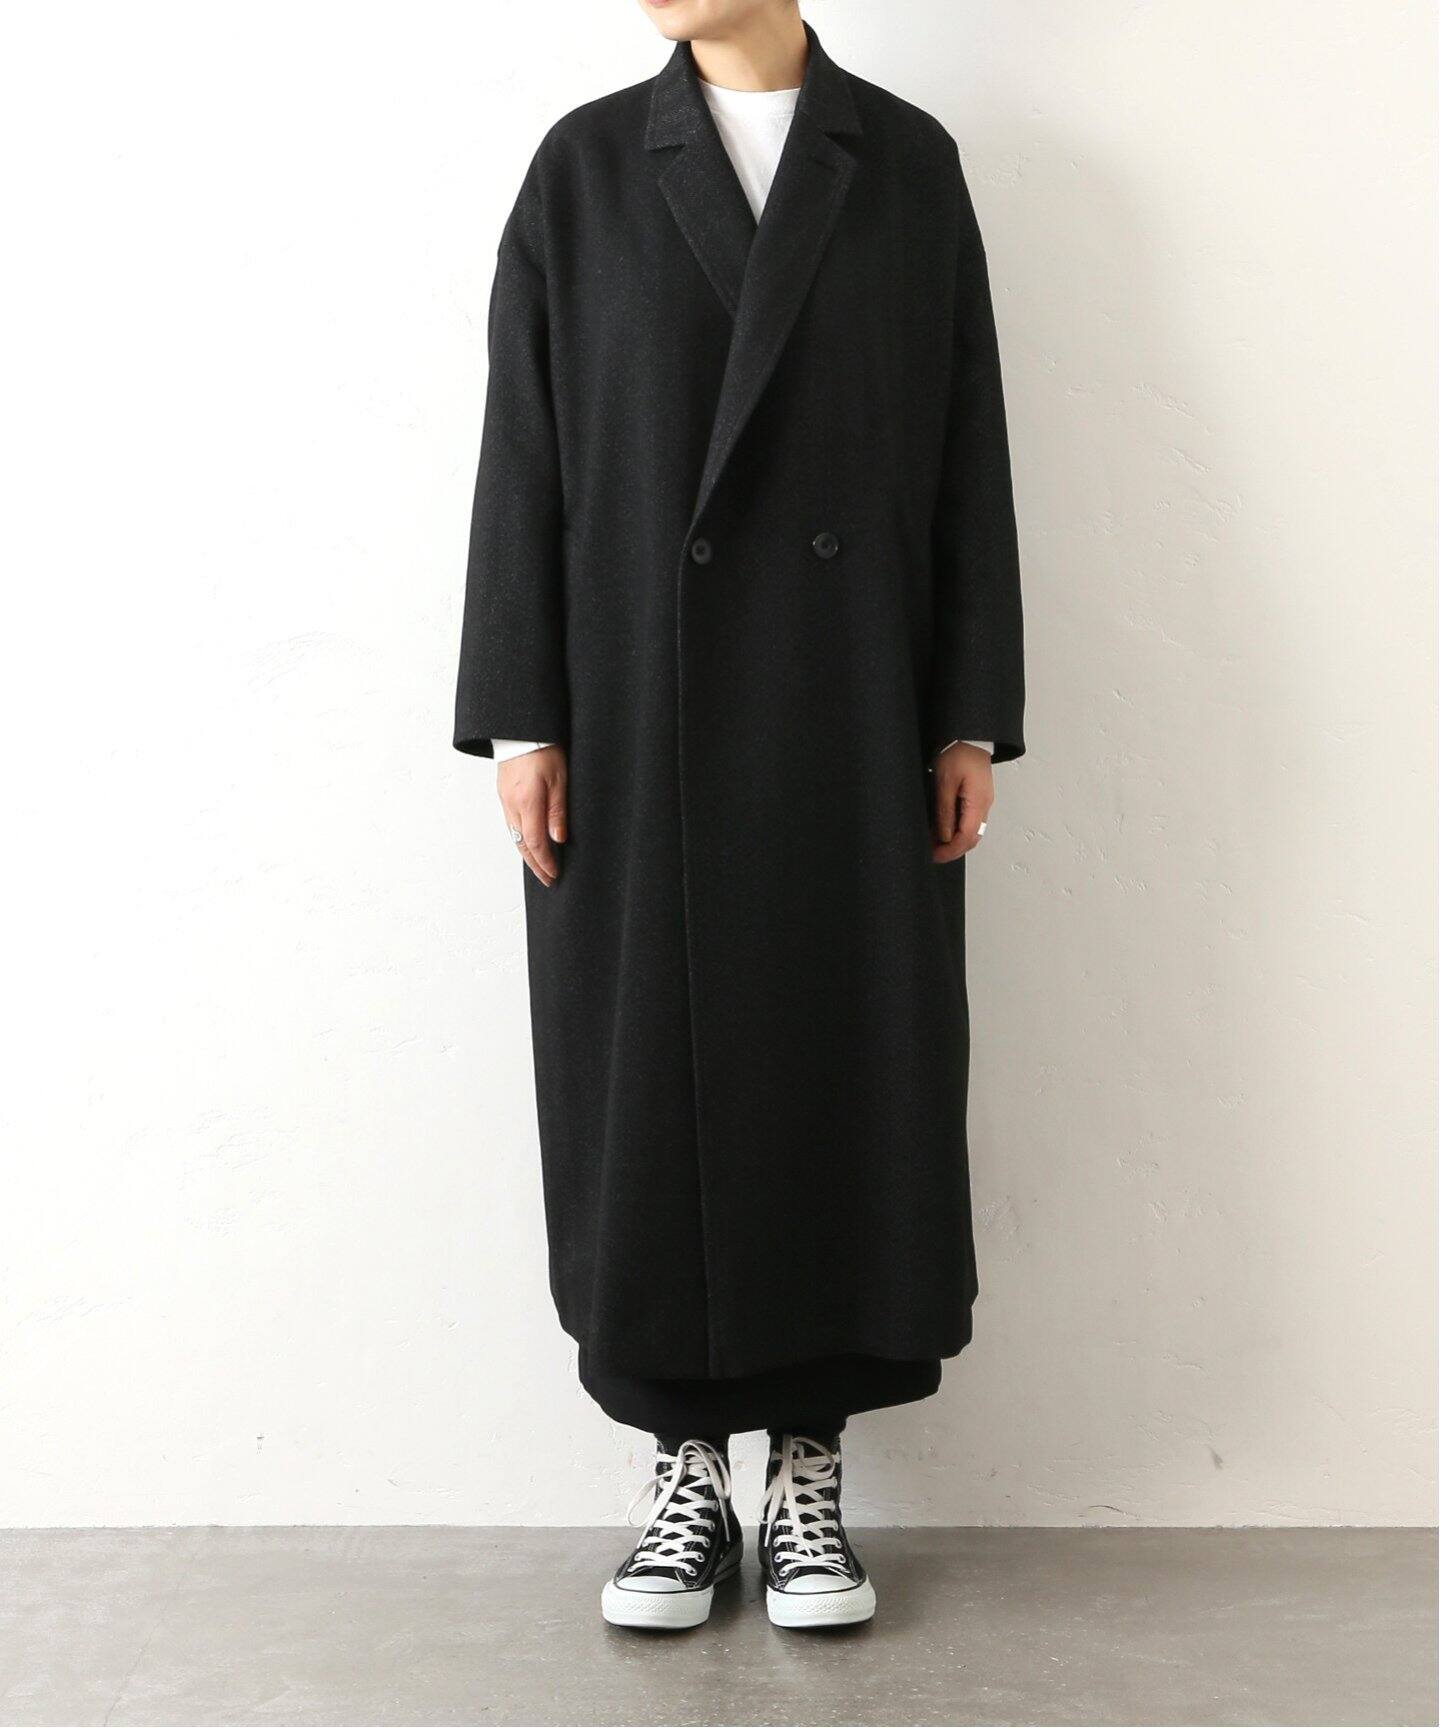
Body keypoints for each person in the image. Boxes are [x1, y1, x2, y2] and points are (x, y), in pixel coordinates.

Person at [454, 0, 1024, 1631]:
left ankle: (810, 1467)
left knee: (846, 1063)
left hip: (852, 708)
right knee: (649, 1076)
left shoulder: (904, 164)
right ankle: (685, 1469)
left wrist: (967, 708)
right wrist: (524, 715)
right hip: (639, 707)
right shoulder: (582, 171)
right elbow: (525, 451)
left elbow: (966, 444)